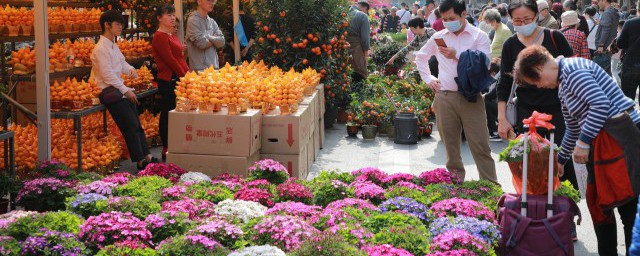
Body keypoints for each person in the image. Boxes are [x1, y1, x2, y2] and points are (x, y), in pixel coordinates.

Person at [514, 44, 640, 256]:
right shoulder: (563, 83)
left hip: (620, 138)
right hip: (604, 142)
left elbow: (599, 104)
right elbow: (573, 126)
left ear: (540, 68)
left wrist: (583, 143)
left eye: (535, 81)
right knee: (600, 205)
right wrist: (560, 160)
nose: (539, 87)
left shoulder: (573, 72)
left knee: (627, 205)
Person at [495, 0, 579, 239]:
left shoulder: (554, 38)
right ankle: (533, 212)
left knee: (562, 164)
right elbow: (503, 83)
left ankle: (566, 217)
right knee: (528, 164)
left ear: (538, 15)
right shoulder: (511, 44)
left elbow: (570, 73)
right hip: (526, 113)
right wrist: (502, 119)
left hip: (559, 109)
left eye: (527, 19)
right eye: (517, 21)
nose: (522, 25)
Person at [415, 0, 498, 184]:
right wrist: (429, 79)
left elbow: (485, 63)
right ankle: (455, 188)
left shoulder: (479, 36)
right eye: (444, 19)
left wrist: (456, 55)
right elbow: (421, 57)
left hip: (471, 96)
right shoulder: (439, 36)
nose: (447, 23)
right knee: (451, 148)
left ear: (463, 14)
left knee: (481, 146)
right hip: (444, 96)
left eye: (451, 18)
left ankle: (491, 187)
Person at [92, 10, 157, 171]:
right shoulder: (100, 48)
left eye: (122, 24)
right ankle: (140, 160)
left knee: (136, 122)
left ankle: (146, 155)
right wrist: (125, 90)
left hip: (118, 89)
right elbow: (107, 75)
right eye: (118, 24)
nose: (121, 27)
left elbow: (122, 63)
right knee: (130, 125)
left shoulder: (113, 45)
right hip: (109, 91)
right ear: (107, 25)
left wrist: (131, 70)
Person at [152, 5, 189, 162]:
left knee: (175, 113)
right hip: (169, 79)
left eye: (173, 15)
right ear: (159, 18)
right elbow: (170, 60)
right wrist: (185, 76)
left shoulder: (171, 35)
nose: (173, 17)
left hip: (178, 78)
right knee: (168, 113)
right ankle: (166, 147)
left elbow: (178, 57)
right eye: (169, 15)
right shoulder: (160, 36)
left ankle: (174, 144)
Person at [186, 0, 224, 71]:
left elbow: (222, 42)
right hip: (199, 70)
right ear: (199, 1)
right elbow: (202, 44)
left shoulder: (212, 21)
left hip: (214, 68)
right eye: (209, 0)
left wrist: (207, 36)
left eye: (213, 1)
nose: (212, 3)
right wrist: (215, 38)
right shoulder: (193, 20)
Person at [618, 5, 640, 103]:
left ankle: (632, 118)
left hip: (631, 65)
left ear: (638, 10)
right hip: (632, 65)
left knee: (627, 100)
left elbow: (620, 44)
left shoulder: (630, 23)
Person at [348, 1, 371, 88]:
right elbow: (365, 39)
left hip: (342, 47)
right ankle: (358, 96)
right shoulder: (362, 16)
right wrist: (366, 56)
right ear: (365, 8)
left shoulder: (345, 13)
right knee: (359, 72)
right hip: (357, 48)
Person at [594, 0, 619, 73]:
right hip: (611, 45)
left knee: (602, 72)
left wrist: (601, 45)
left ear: (604, 1)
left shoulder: (607, 13)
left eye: (598, 1)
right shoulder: (613, 11)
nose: (598, 4)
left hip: (605, 47)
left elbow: (606, 30)